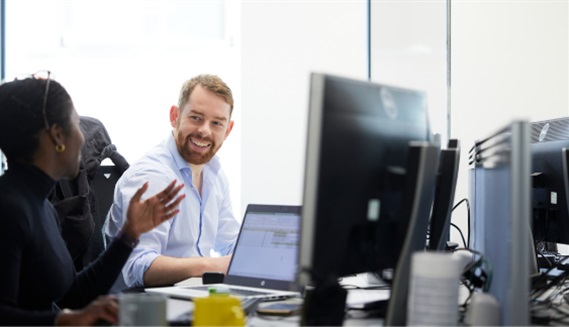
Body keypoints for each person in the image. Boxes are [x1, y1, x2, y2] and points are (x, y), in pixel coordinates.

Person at [0, 72, 185, 326]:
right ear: (57, 136)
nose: (84, 136)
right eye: (76, 124)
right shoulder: (8, 209)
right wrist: (66, 321)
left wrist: (129, 234)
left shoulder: (42, 206)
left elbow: (73, 296)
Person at [104, 74, 241, 289]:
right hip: (145, 308)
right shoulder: (152, 177)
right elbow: (140, 268)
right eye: (196, 117)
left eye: (216, 123)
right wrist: (212, 265)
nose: (204, 130)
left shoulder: (214, 174)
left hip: (192, 296)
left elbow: (231, 243)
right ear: (175, 116)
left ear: (228, 130)